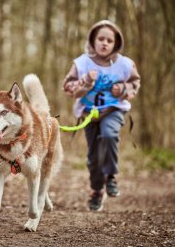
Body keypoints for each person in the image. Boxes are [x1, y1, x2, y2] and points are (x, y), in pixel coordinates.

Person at [62, 20, 141, 211]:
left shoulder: (124, 64)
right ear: (93, 40)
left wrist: (122, 88)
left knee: (109, 134)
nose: (105, 43)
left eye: (109, 40)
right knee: (93, 156)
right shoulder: (82, 63)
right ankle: (97, 190)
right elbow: (68, 86)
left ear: (116, 43)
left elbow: (135, 82)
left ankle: (111, 176)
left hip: (113, 109)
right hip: (89, 113)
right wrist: (85, 80)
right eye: (101, 39)